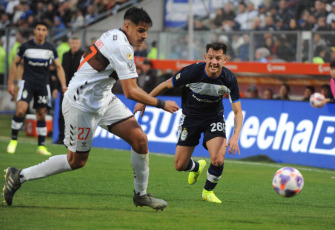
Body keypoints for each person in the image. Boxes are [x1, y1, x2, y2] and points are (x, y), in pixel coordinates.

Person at [2, 7, 179, 210]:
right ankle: (19, 175)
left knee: (140, 139)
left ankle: (140, 195)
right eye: (140, 30)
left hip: (103, 99)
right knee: (76, 161)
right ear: (127, 26)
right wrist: (161, 104)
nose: (144, 35)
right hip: (82, 104)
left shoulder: (114, 35)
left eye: (146, 31)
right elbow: (131, 92)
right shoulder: (121, 46)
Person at [134, 42, 243, 204]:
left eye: (218, 58)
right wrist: (144, 101)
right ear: (206, 57)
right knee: (179, 165)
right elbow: (165, 84)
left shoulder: (229, 79)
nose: (214, 62)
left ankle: (207, 192)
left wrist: (235, 137)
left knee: (218, 159)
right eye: (211, 57)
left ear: (225, 60)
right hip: (190, 117)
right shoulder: (192, 72)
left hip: (214, 118)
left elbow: (237, 112)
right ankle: (197, 167)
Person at [6, 21, 67, 156]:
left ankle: (41, 146)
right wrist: (11, 83)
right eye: (38, 29)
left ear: (46, 32)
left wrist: (63, 85)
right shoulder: (25, 47)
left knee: (41, 114)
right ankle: (13, 141)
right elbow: (15, 63)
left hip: (43, 85)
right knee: (21, 110)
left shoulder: (51, 48)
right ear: (34, 31)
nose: (40, 32)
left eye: (43, 29)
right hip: (27, 83)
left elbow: (59, 67)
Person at [53, 36, 84, 144]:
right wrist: (57, 87)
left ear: (79, 44)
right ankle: (61, 137)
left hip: (78, 90)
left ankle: (74, 138)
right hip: (64, 89)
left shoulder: (83, 55)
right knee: (62, 113)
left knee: (76, 114)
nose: (74, 45)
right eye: (73, 43)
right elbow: (61, 71)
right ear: (70, 44)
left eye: (76, 43)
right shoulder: (65, 55)